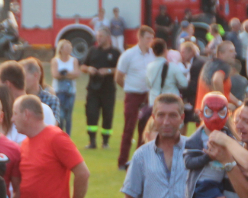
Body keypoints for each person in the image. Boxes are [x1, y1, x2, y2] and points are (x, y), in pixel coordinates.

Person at [122, 94, 200, 198]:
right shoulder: (141, 156)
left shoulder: (195, 151)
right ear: (154, 117)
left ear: (182, 118)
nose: (166, 122)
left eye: (172, 116)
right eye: (161, 115)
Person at [115, 25, 157, 170]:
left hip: (147, 95)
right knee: (129, 128)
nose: (150, 41)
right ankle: (122, 161)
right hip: (133, 94)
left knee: (145, 129)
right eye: (147, 38)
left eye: (152, 38)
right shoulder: (129, 55)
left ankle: (139, 161)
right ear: (139, 38)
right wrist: (129, 87)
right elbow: (119, 76)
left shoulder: (153, 54)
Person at [81, 28, 120, 149]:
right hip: (93, 89)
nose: (98, 38)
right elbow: (82, 66)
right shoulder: (92, 51)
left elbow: (120, 69)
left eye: (101, 36)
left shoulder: (115, 52)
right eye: (97, 36)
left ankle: (105, 142)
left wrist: (108, 71)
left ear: (108, 38)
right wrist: (89, 69)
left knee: (108, 116)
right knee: (91, 114)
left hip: (108, 90)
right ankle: (92, 141)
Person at [146, 39, 189, 107]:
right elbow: (184, 84)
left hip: (154, 102)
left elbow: (148, 84)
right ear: (165, 50)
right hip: (171, 101)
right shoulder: (172, 66)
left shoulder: (149, 67)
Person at [51, 39, 79, 135]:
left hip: (71, 91)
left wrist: (64, 74)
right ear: (61, 49)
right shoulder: (55, 61)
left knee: (68, 115)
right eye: (67, 47)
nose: (69, 49)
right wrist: (68, 75)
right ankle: (60, 133)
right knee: (61, 115)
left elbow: (76, 74)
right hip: (59, 91)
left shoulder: (73, 60)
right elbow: (55, 75)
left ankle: (68, 135)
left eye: (70, 47)